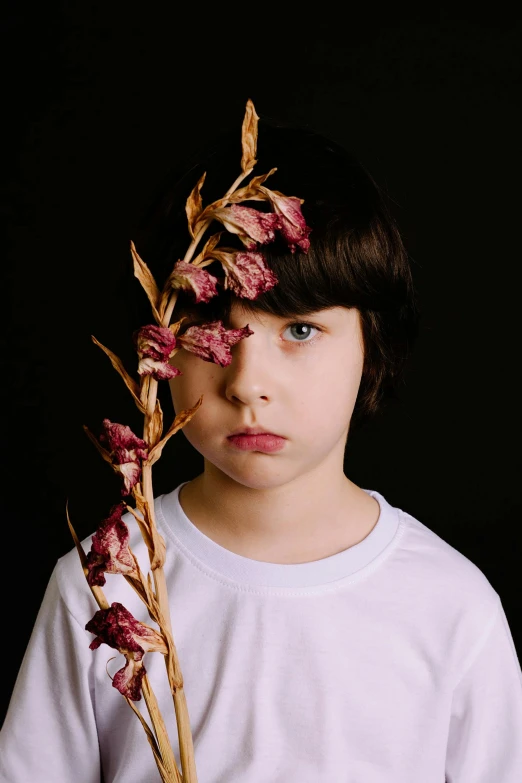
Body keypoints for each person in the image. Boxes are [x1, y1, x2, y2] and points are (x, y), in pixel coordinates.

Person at [1, 116, 521, 783]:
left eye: (300, 330)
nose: (247, 383)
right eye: (213, 329)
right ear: (160, 344)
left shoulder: (451, 608)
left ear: (374, 347)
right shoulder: (105, 587)